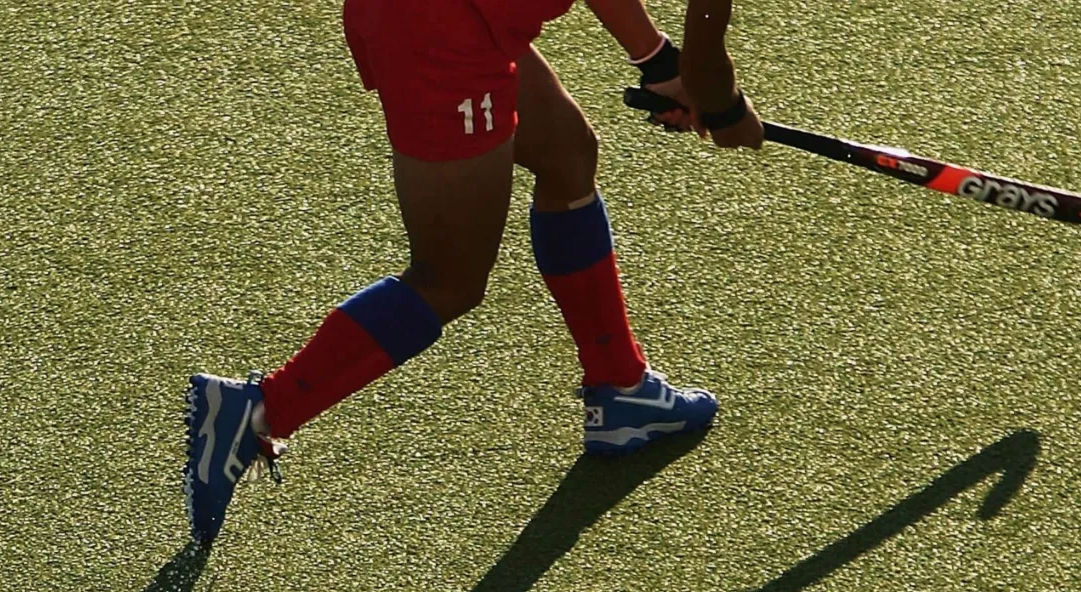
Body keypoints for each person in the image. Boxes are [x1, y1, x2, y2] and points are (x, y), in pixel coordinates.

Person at [183, 0, 763, 547]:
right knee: (450, 279)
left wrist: (658, 63)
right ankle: (261, 410)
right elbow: (708, 52)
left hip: (457, 18)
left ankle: (622, 389)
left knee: (566, 153)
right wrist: (724, 109)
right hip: (442, 34)